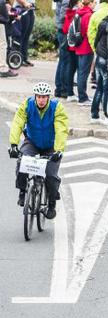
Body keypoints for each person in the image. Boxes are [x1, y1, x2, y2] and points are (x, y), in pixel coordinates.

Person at [8, 82, 68, 219]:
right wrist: (13, 144)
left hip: (51, 146)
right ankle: (23, 191)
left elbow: (61, 129)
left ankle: (51, 205)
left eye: (44, 97)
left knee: (51, 175)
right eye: (39, 97)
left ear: (48, 97)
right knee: (21, 162)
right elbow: (18, 123)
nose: (41, 100)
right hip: (32, 142)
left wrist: (59, 150)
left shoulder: (56, 108)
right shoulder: (27, 105)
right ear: (35, 96)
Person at [11, 0, 36, 66]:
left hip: (30, 10)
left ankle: (24, 58)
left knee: (27, 35)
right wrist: (24, 2)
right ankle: (17, 58)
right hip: (21, 10)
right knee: (21, 35)